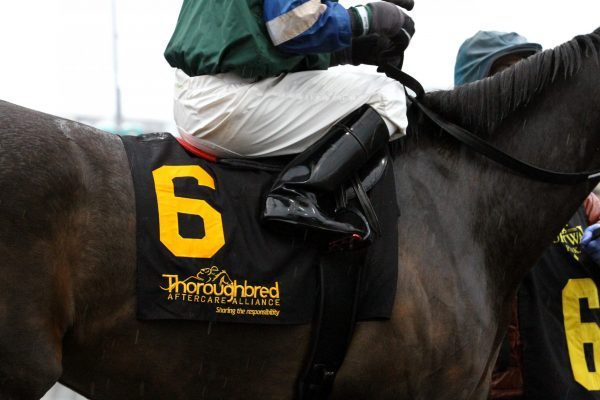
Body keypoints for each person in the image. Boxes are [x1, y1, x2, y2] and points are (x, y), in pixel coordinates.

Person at [163, 0, 415, 244]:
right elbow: (290, 23)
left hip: (195, 98)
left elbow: (256, 40)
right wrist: (372, 17)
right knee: (387, 95)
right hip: (230, 103)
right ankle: (296, 194)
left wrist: (348, 51)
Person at [455, 30, 600, 399]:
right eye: (507, 74)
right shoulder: (459, 207)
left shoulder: (577, 199)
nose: (523, 87)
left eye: (528, 71)